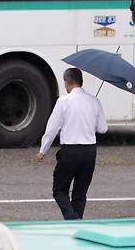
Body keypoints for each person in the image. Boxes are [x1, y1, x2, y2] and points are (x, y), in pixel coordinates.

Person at [36, 68, 107, 220]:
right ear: (81, 82)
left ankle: (73, 221)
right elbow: (103, 128)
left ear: (67, 83)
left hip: (70, 152)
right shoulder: (94, 101)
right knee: (80, 194)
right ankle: (77, 222)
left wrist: (43, 150)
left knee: (59, 190)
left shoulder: (63, 102)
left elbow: (52, 128)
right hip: (89, 152)